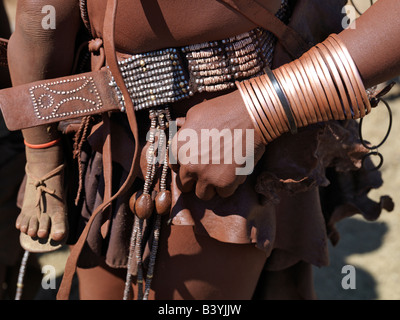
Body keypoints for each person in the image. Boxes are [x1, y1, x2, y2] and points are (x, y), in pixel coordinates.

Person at [2, 0, 398, 300]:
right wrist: (42, 152)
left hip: (231, 144)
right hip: (104, 138)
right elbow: (40, 20)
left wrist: (260, 110)